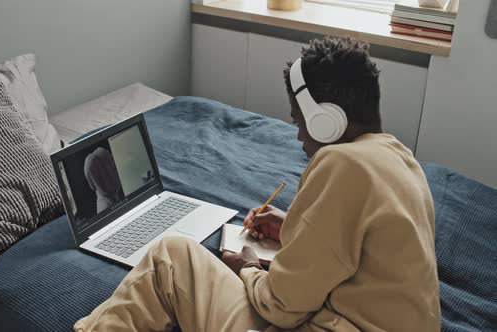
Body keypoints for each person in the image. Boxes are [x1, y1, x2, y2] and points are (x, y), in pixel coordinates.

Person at [74, 36, 441, 332]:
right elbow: (352, 251)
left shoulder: (340, 162)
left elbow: (282, 307)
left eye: (300, 122)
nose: (299, 136)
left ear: (326, 122)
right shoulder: (401, 159)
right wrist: (293, 230)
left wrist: (247, 266)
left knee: (169, 256)